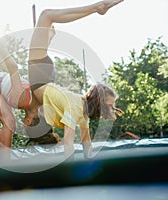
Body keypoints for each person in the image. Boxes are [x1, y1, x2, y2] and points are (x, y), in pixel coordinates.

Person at [24, 0, 124, 159]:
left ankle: (50, 35)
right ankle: (97, 7)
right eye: (110, 105)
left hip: (45, 78)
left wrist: (89, 163)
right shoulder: (76, 108)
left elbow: (86, 142)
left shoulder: (81, 111)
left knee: (46, 17)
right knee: (46, 16)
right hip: (41, 79)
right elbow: (68, 143)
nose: (112, 109)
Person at [0, 45, 42, 162]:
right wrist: (2, 47)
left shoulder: (36, 105)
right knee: (10, 122)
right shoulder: (22, 100)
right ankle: (6, 165)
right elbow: (13, 67)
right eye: (27, 126)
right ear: (29, 121)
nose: (25, 125)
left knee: (10, 123)